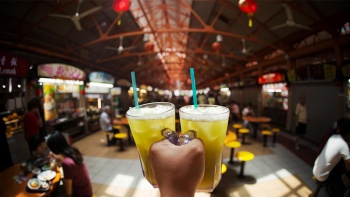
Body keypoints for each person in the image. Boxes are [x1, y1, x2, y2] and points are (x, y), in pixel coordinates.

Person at [47, 131, 92, 197]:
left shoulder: (66, 163)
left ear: (54, 149)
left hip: (81, 194)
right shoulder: (73, 151)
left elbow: (68, 192)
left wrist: (62, 175)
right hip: (87, 191)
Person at [312, 117, 350, 196]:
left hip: (315, 169)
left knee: (333, 165)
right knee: (342, 185)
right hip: (322, 176)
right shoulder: (344, 145)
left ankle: (315, 193)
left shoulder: (332, 137)